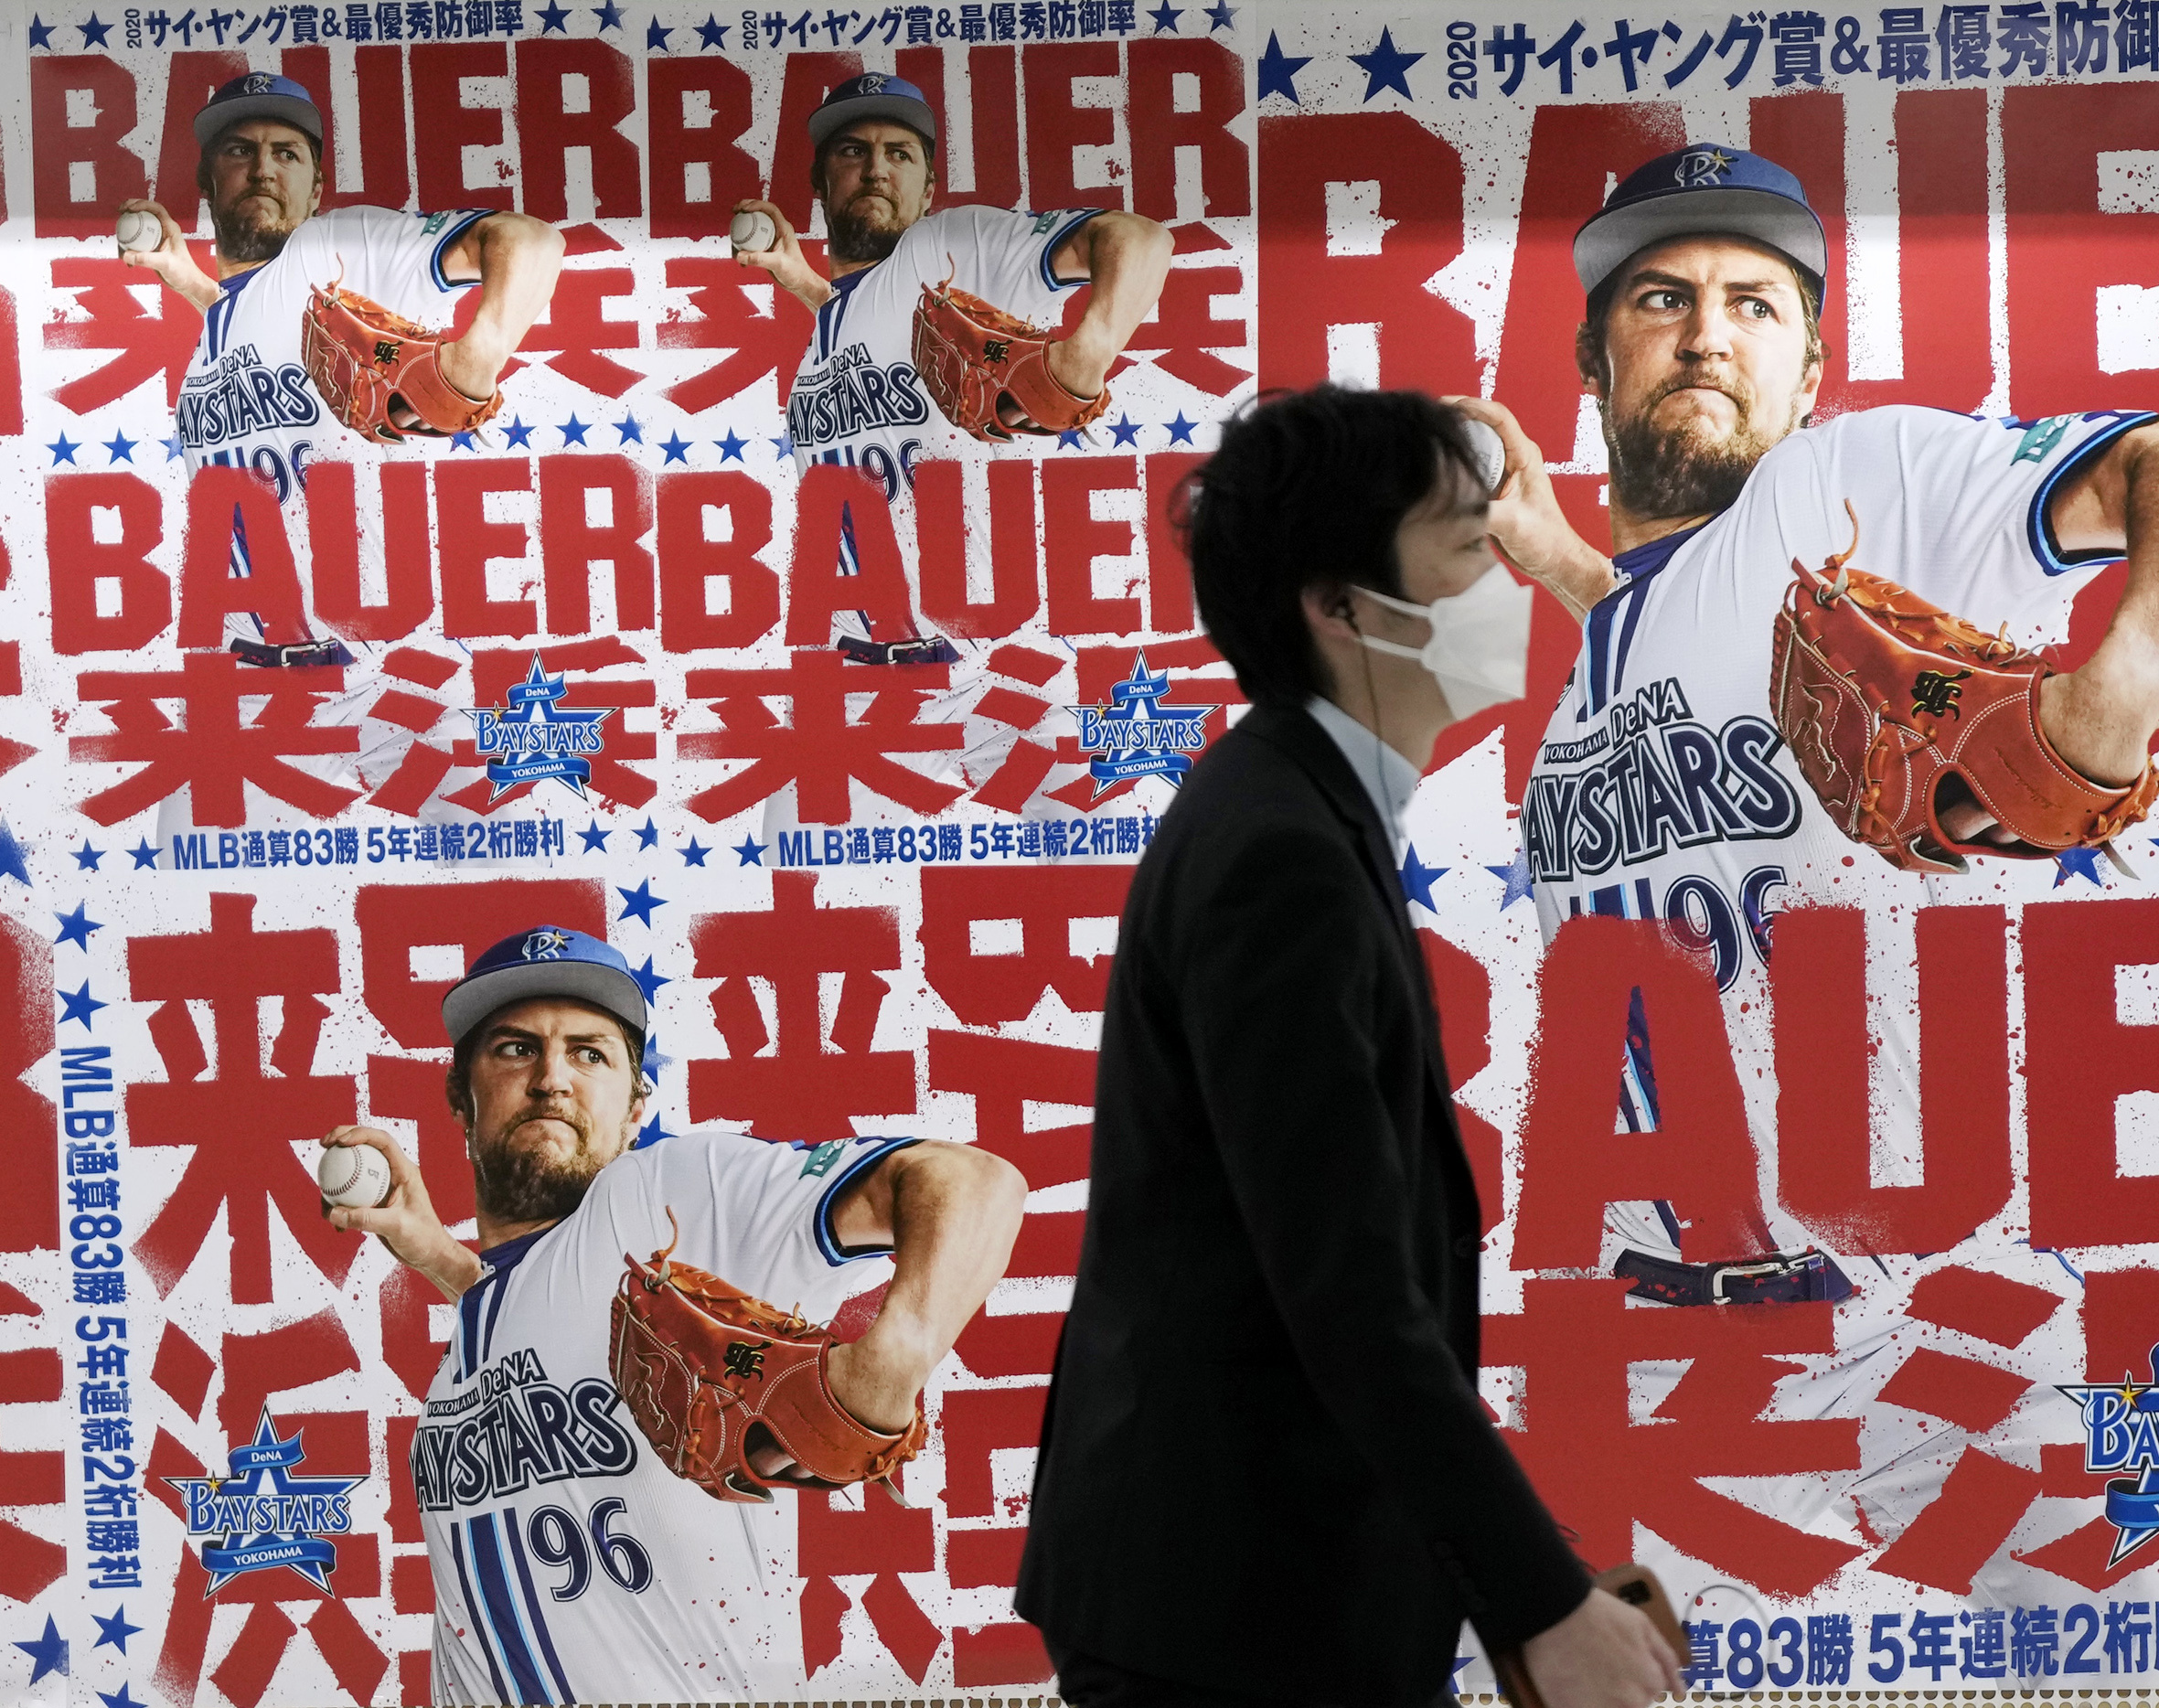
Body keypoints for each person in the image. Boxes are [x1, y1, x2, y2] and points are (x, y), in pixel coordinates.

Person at [1450, 144, 2159, 1308]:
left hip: (1908, 1318)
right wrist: (1563, 562)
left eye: (1754, 303)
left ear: (1807, 376)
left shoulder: (1850, 479)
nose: (1707, 334)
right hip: (1666, 1327)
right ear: (1594, 363)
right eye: (1663, 298)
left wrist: (2119, 693)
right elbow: (1686, 652)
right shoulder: (1615, 646)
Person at [1014, 387, 1683, 1708]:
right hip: (1228, 1620)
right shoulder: (1279, 855)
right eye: (1466, 546)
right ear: (1345, 607)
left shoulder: (1299, 807)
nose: (1507, 577)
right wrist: (1538, 1601)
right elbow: (1344, 1289)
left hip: (1279, 1589)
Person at [322, 924, 1025, 1703]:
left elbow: (972, 1181)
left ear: (635, 1109)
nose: (552, 1076)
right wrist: (448, 1265)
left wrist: (896, 1357)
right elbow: (545, 1329)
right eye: (515, 1049)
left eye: (591, 1053)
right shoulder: (487, 1325)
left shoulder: (670, 1194)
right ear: (462, 1098)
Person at [118, 73, 565, 673]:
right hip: (265, 683)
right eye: (239, 150)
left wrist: (475, 360)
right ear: (207, 180)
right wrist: (193, 282)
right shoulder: (230, 320)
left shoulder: (336, 247)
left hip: (388, 673)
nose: (262, 168)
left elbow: (530, 240)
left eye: (286, 152)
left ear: (316, 187)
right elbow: (264, 327)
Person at [731, 73, 1173, 665]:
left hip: (983, 669)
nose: (876, 169)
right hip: (862, 671)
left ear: (929, 186)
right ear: (821, 179)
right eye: (853, 150)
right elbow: (872, 329)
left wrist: (1086, 354)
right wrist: (803, 280)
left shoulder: (949, 247)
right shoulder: (838, 326)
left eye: (900, 152)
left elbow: (1139, 239)